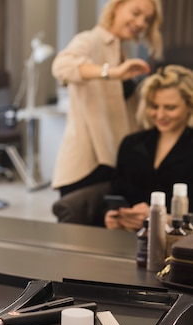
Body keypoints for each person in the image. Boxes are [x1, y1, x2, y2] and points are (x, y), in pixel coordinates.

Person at [51, 0, 163, 197]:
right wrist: (111, 72)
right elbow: (61, 66)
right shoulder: (89, 40)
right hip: (88, 163)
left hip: (113, 160)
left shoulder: (121, 53)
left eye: (147, 19)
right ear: (117, 7)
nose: (141, 23)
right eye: (136, 13)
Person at [105, 65, 193, 231]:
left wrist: (164, 220)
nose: (160, 115)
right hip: (127, 236)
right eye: (154, 106)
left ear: (189, 106)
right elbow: (117, 193)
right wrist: (112, 217)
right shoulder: (131, 144)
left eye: (170, 107)